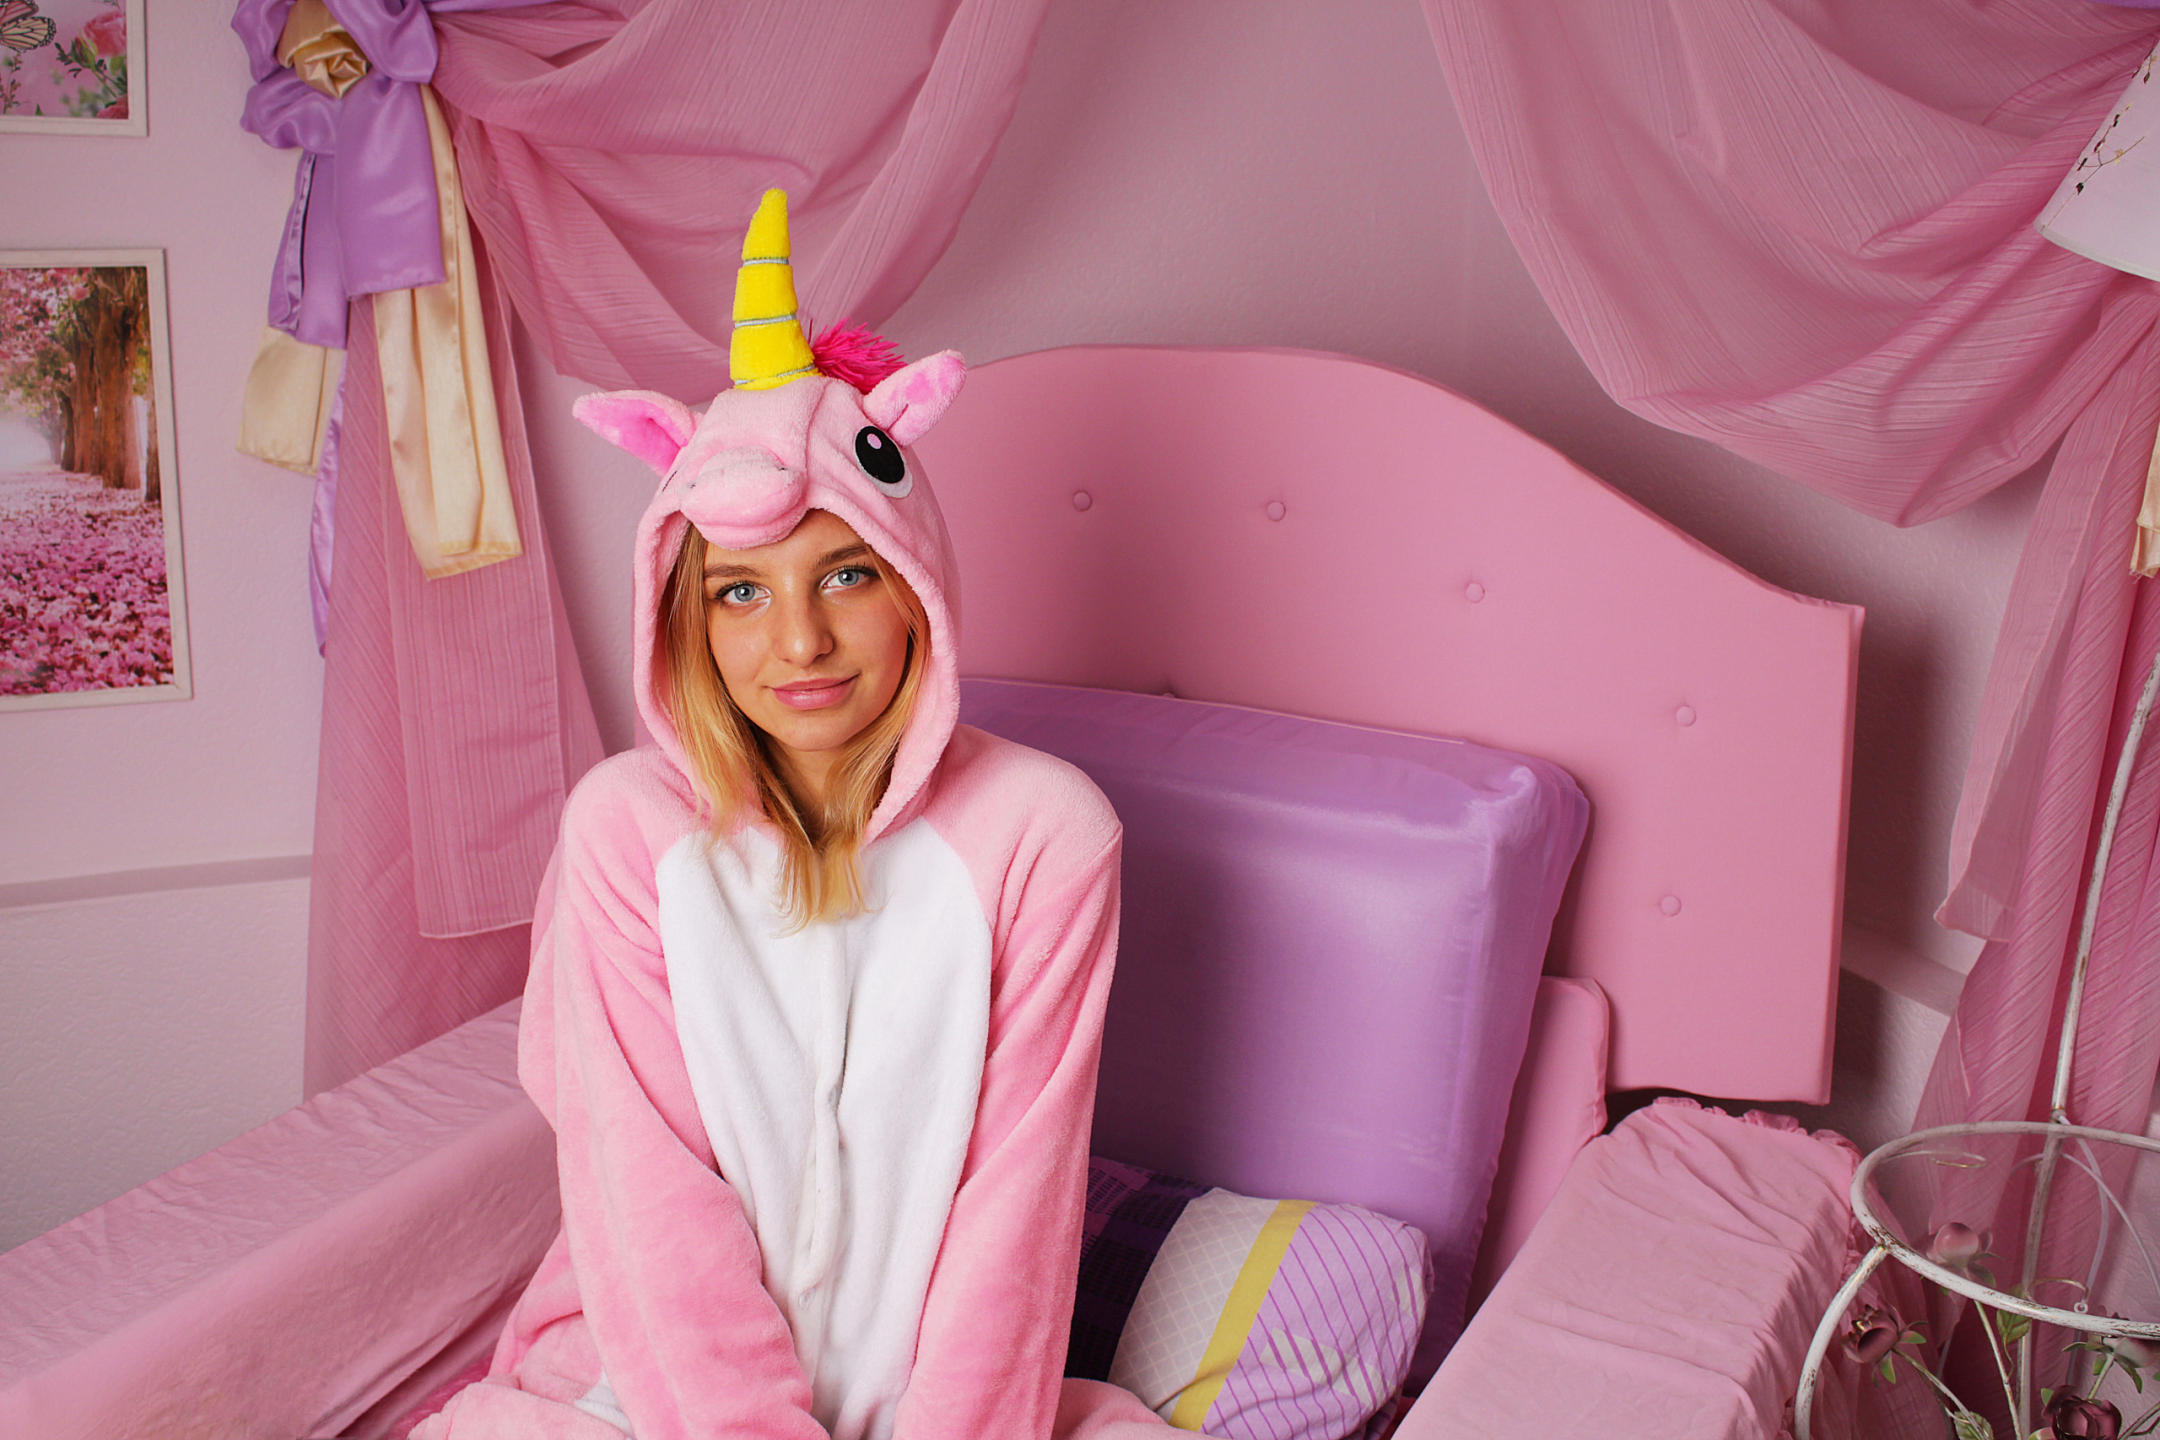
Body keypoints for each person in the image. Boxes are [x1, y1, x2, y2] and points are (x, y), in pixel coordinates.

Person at [415, 192, 1166, 1440]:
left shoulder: (1045, 836)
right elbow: (649, 1199)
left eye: (846, 575)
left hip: (931, 1407)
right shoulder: (627, 833)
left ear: (915, 584)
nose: (801, 642)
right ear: (688, 619)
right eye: (742, 594)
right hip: (644, 1393)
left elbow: (1015, 1217)